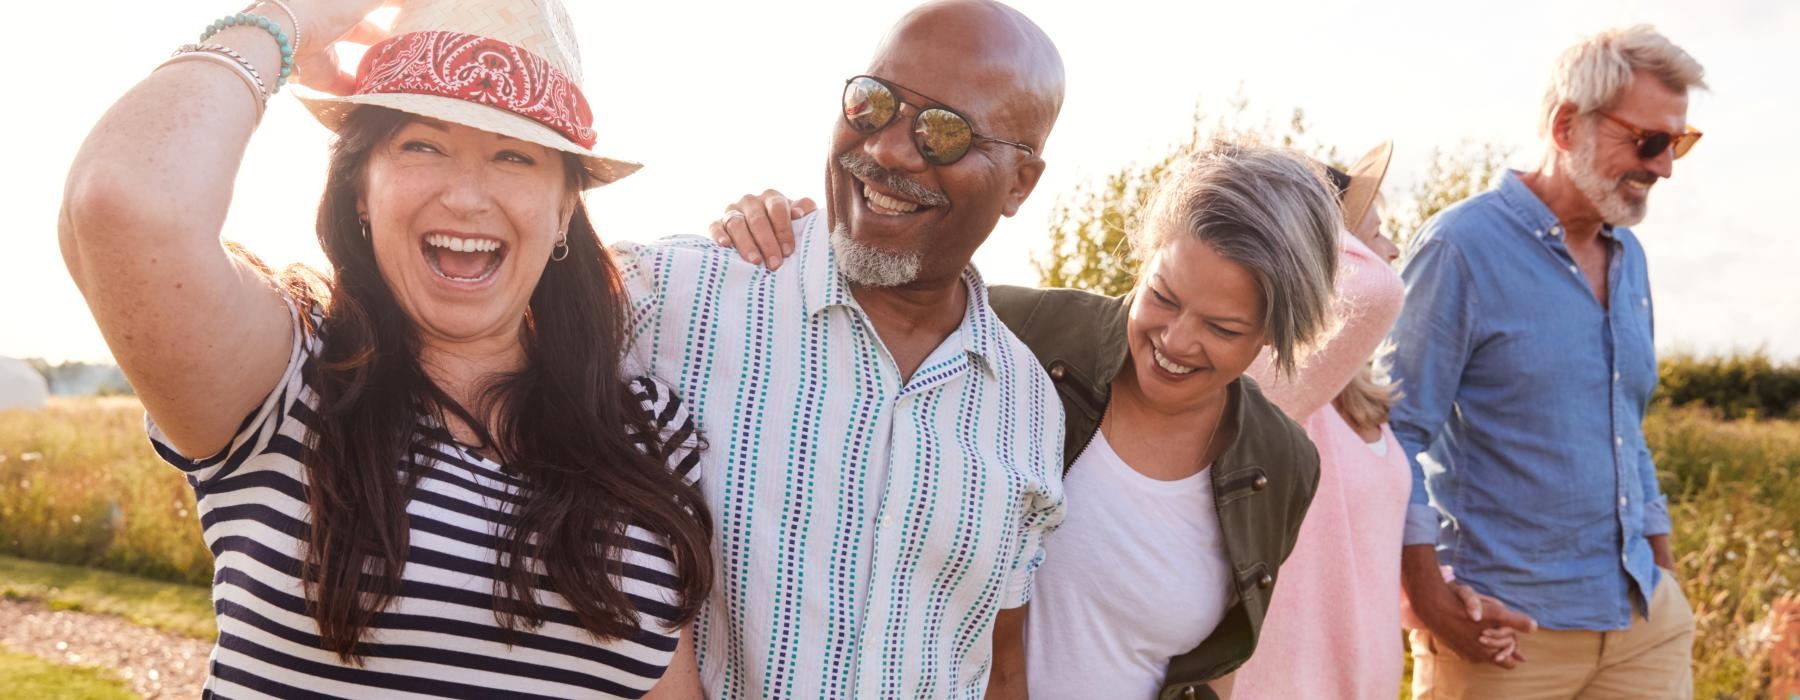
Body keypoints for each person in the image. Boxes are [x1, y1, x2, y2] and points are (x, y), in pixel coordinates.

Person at [59, 0, 711, 697]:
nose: (465, 196)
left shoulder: (644, 430)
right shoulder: (288, 378)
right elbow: (126, 201)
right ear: (361, 190)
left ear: (562, 212)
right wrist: (292, 20)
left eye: (513, 155)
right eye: (421, 145)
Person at [718, 138, 1350, 699]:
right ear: (1145, 259)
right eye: (1163, 297)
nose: (1177, 342)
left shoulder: (1284, 462)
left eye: (1223, 328)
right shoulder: (1011, 333)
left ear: (1275, 334)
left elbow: (1214, 666)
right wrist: (777, 231)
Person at [612, 1, 1068, 697]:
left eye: (944, 131)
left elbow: (996, 664)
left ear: (1020, 183)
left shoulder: (1031, 406)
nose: (887, 148)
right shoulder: (670, 301)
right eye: (872, 102)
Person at [1385, 25, 1706, 699]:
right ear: (1566, 126)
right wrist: (1432, 606)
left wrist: (1665, 573)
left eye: (1677, 142)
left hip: (1642, 626)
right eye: (1648, 141)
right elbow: (1392, 437)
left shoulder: (1630, 258)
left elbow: (1626, 428)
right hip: (1507, 639)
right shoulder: (1458, 249)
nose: (1665, 166)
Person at [1232, 144, 1534, 699]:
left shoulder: (1356, 398)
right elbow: (1375, 290)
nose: (1393, 250)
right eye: (1374, 236)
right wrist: (1295, 213)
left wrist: (1444, 595)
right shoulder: (1277, 389)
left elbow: (1359, 543)